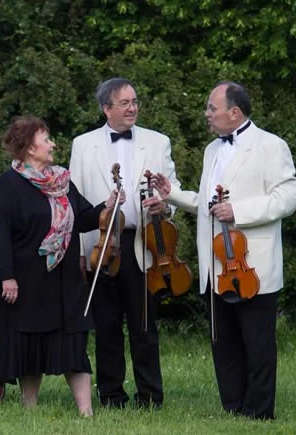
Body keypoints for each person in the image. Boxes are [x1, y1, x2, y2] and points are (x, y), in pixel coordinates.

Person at [153, 81, 296, 419]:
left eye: (211, 108)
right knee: (224, 343)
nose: (206, 114)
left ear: (234, 112)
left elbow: (288, 196)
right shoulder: (211, 150)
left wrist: (240, 213)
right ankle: (233, 407)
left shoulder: (270, 146)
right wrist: (171, 193)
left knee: (258, 343)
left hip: (253, 265)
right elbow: (208, 205)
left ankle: (259, 411)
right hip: (214, 266)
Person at [0, 116, 123, 417]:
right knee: (30, 344)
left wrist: (109, 205)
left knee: (74, 342)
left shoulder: (62, 182)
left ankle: (86, 412)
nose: (52, 144)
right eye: (46, 139)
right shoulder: (8, 185)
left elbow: (85, 219)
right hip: (27, 280)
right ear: (28, 147)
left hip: (65, 281)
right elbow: (0, 236)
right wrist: (7, 278)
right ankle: (30, 407)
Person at [69, 77, 178, 409]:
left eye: (135, 101)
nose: (133, 108)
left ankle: (150, 396)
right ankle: (110, 394)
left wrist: (166, 203)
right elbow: (73, 201)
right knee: (106, 325)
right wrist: (79, 253)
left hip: (143, 243)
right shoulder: (83, 144)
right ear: (106, 108)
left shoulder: (157, 142)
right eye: (125, 103)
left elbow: (171, 187)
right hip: (102, 243)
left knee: (144, 324)